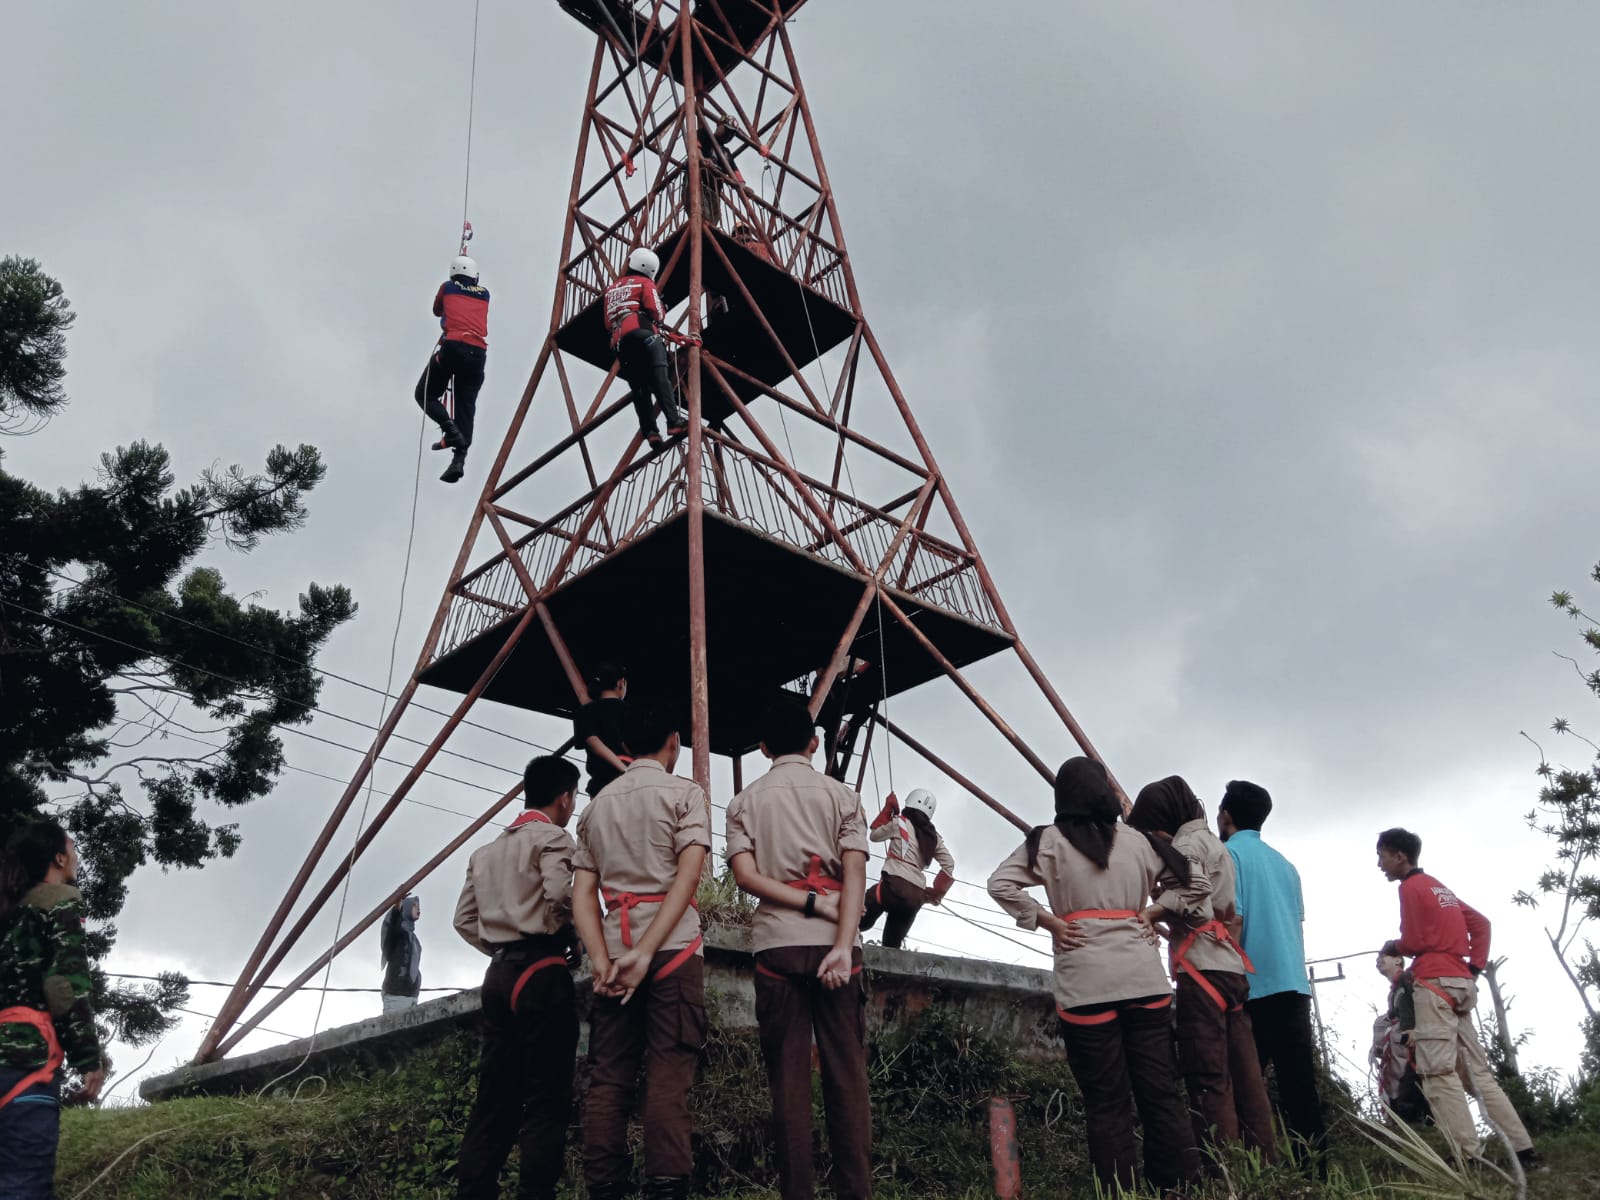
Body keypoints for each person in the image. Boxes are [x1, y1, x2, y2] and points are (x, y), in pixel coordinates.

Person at [988, 758, 1200, 1196]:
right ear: (1105, 791)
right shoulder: (1139, 841)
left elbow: (999, 884)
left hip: (1084, 985)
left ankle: (1120, 1192)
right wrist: (1153, 912)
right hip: (1144, 981)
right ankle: (1179, 1187)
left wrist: (1050, 922)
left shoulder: (1046, 841)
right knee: (1160, 1093)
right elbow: (1195, 882)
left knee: (1107, 1104)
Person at [724, 697, 871, 1200]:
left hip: (778, 949)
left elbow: (746, 877)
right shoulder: (843, 797)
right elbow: (855, 875)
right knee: (847, 1077)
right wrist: (842, 941)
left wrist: (808, 905)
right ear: (814, 743)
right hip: (836, 950)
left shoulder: (744, 802)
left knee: (788, 1084)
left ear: (763, 748)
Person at [572, 704, 711, 1200]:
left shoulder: (595, 807)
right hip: (673, 950)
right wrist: (648, 951)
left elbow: (583, 895)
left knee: (608, 1075)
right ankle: (666, 1185)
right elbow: (689, 876)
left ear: (625, 746)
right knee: (669, 1069)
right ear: (673, 742)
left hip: (614, 953)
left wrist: (604, 961)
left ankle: (605, 1185)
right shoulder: (685, 794)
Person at [452, 755, 584, 1200]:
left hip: (499, 974)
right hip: (544, 969)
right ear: (565, 798)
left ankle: (474, 1189)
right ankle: (535, 1191)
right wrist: (574, 937)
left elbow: (464, 920)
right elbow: (561, 898)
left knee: (494, 1094)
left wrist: (501, 946)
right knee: (547, 1095)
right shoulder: (554, 839)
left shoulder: (484, 852)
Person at [1127, 776, 1275, 1162]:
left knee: (1208, 1076)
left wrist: (1151, 911)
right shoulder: (1213, 842)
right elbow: (1221, 905)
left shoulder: (1186, 844)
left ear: (1164, 819)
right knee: (1247, 1077)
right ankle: (1264, 1166)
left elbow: (1195, 891)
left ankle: (1223, 1171)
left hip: (1202, 971)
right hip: (1230, 970)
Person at [1375, 828, 1538, 1168]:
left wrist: (1396, 946)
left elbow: (1416, 940)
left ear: (1400, 856)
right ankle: (1524, 1151)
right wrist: (1475, 967)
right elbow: (1481, 924)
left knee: (1438, 1073)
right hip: (1461, 983)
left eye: (1383, 856)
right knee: (1478, 1074)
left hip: (1433, 984)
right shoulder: (1439, 887)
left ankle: (1467, 1157)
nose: (1380, 864)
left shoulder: (1410, 887)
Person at [1217, 779, 1327, 1168]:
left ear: (1226, 815)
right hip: (1294, 985)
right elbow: (1295, 924)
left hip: (1252, 987)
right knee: (1300, 1088)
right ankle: (1315, 1170)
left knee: (1243, 1086)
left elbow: (1234, 922)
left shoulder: (1228, 855)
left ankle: (1249, 1169)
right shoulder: (1286, 865)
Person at [0, 822, 106, 1197]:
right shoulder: (59, 900)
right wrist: (88, 1058)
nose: (75, 855)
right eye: (72, 847)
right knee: (23, 1184)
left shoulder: (8, 914)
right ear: (59, 858)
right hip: (24, 1064)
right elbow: (64, 986)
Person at [416, 254, 489, 483]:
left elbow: (437, 310)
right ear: (474, 276)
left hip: (454, 347)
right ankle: (459, 460)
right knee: (466, 408)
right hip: (478, 353)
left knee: (424, 394)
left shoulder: (447, 287)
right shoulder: (485, 294)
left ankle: (450, 430)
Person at [603, 248, 687, 447]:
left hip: (620, 343)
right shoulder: (645, 283)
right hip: (643, 334)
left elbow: (607, 321)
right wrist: (661, 311)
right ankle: (674, 421)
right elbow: (656, 313)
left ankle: (651, 432)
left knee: (639, 389)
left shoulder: (611, 290)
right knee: (660, 376)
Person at [859, 787, 954, 949]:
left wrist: (887, 811)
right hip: (916, 897)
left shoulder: (899, 823)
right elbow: (949, 864)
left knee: (858, 917)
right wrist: (937, 892)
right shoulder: (933, 837)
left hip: (893, 887)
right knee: (891, 947)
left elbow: (874, 835)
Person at [1369, 951, 1429, 1125]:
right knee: (1399, 1080)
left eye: (1383, 957)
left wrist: (1410, 1029)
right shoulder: (1395, 989)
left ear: (1398, 960)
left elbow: (1412, 1008)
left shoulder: (1405, 981)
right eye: (1377, 959)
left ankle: (1415, 1120)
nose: (1378, 961)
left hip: (1410, 1043)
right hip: (1398, 1045)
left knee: (1409, 1081)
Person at [573, 661, 633, 797]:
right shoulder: (632, 712)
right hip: (632, 785)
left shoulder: (584, 712)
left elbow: (594, 743)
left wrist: (622, 768)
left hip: (600, 786)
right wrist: (627, 770)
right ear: (621, 683)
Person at [380, 895, 422, 1012]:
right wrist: (397, 908)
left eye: (418, 906)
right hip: (396, 995)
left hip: (412, 995)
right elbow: (392, 928)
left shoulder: (413, 939)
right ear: (406, 908)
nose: (418, 909)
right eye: (414, 905)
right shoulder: (398, 934)